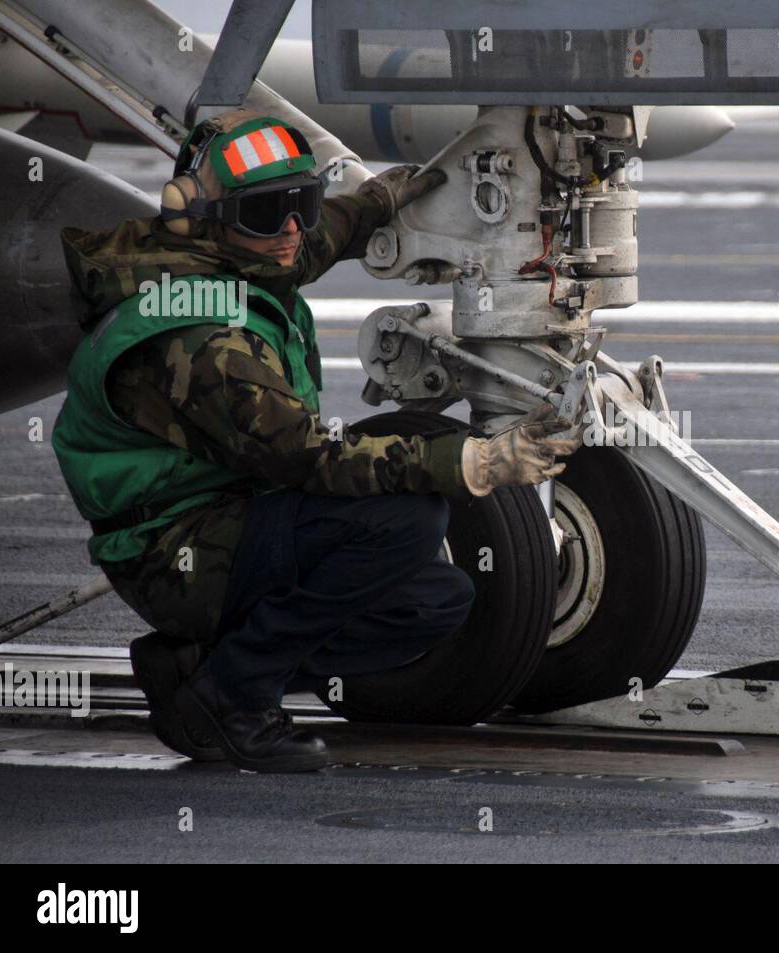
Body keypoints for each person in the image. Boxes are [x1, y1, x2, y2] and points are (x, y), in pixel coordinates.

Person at [51, 110, 580, 773]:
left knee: (437, 601)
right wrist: (472, 460)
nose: (292, 231)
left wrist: (373, 204)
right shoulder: (197, 335)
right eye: (270, 213)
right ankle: (231, 694)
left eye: (299, 204)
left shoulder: (229, 250)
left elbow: (308, 238)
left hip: (228, 517)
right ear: (215, 221)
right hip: (170, 548)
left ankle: (202, 667)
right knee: (407, 518)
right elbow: (305, 456)